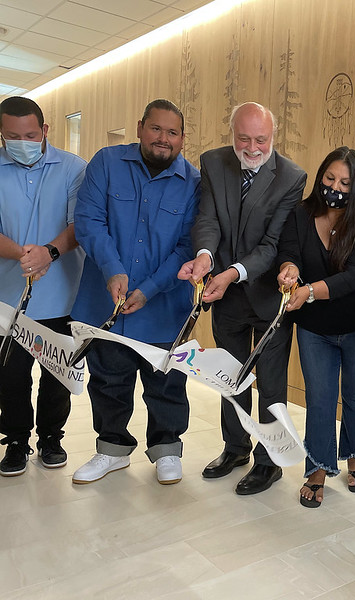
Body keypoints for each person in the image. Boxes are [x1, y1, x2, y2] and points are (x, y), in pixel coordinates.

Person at [178, 102, 306, 495]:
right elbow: (209, 219)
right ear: (232, 133)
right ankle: (235, 448)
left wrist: (232, 272)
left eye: (261, 140)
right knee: (229, 379)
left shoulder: (291, 177)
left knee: (270, 385)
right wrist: (205, 256)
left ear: (274, 137)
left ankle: (269, 463)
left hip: (267, 295)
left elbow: (272, 245)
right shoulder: (213, 163)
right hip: (226, 297)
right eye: (244, 138)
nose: (252, 147)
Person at [70, 99, 200, 485]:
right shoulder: (106, 163)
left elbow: (187, 245)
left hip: (164, 304)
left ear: (182, 138)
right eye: (156, 129)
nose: (163, 139)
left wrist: (150, 288)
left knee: (166, 383)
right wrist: (113, 271)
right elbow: (88, 220)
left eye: (172, 132)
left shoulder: (193, 182)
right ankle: (111, 450)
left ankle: (166, 449)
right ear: (141, 127)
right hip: (105, 301)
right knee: (108, 379)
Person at [276, 146, 355, 507]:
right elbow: (289, 250)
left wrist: (308, 291)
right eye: (329, 178)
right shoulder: (301, 214)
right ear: (320, 176)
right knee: (319, 400)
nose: (335, 187)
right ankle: (318, 469)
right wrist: (290, 270)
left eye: (345, 182)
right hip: (314, 329)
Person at [0, 97, 86, 476]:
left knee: (58, 374)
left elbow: (80, 225)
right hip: (7, 298)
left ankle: (52, 437)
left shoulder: (74, 168)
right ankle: (16, 440)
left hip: (64, 294)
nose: (23, 141)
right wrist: (23, 253)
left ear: (45, 131)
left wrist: (48, 252)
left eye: (31, 135)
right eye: (12, 136)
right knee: (10, 375)